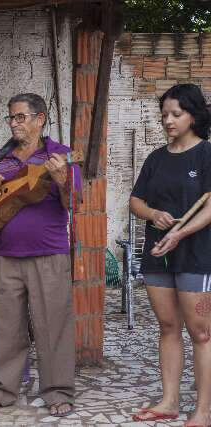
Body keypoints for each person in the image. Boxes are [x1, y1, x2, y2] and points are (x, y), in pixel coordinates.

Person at [0, 93, 80, 417]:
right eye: (10, 118)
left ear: (40, 119)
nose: (13, 123)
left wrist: (63, 180)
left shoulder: (60, 155)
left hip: (49, 255)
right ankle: (2, 390)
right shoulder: (0, 158)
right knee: (7, 328)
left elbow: (73, 203)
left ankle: (57, 391)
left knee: (53, 326)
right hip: (7, 255)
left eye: (20, 117)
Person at [130, 83, 211, 427]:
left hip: (196, 254)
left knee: (202, 332)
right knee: (167, 326)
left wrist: (180, 232)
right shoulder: (156, 158)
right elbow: (135, 201)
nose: (168, 120)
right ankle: (169, 401)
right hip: (158, 252)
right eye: (164, 114)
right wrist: (154, 215)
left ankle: (204, 410)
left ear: (194, 115)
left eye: (176, 114)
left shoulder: (207, 153)